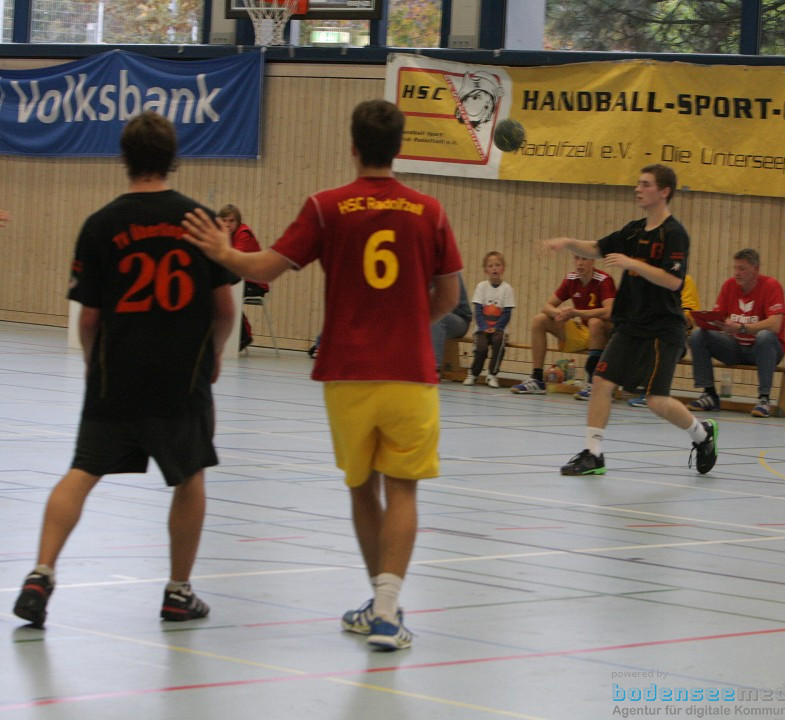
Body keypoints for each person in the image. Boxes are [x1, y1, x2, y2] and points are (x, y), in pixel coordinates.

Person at [181, 99, 463, 649]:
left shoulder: (326, 206)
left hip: (348, 370)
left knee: (362, 488)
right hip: (409, 370)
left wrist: (222, 250)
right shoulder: (429, 211)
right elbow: (448, 294)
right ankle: (386, 611)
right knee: (404, 489)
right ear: (398, 148)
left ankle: (380, 605)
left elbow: (265, 268)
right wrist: (406, 322)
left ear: (353, 147)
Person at [12, 112, 235, 629]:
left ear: (124, 158)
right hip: (181, 380)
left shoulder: (101, 224)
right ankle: (178, 592)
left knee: (82, 471)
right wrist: (216, 354)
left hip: (118, 378)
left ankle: (41, 573)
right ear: (173, 157)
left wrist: (95, 365)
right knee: (190, 477)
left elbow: (89, 317)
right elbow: (225, 311)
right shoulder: (199, 220)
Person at [538, 164, 718, 476]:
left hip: (663, 328)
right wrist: (566, 242)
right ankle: (593, 454)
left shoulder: (674, 234)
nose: (638, 189)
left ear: (663, 192)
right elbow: (596, 248)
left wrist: (633, 262)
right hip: (630, 325)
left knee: (656, 400)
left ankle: (702, 435)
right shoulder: (633, 231)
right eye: (638, 183)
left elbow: (673, 282)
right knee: (601, 382)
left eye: (645, 184)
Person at [688, 249, 785, 418]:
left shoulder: (771, 286)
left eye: (742, 269)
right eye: (735, 268)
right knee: (698, 336)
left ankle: (764, 399)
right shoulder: (729, 286)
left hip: (762, 349)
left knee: (765, 336)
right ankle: (709, 394)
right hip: (735, 347)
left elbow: (775, 325)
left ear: (755, 269)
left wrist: (742, 328)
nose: (737, 273)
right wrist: (708, 321)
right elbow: (719, 316)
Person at [511, 254, 615, 400]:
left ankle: (594, 383)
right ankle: (537, 379)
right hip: (585, 333)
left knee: (595, 322)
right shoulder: (571, 279)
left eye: (584, 258)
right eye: (577, 258)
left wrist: (576, 313)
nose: (580, 263)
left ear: (592, 261)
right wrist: (561, 313)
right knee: (539, 320)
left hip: (606, 336)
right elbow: (546, 306)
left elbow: (610, 311)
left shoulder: (604, 280)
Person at [628, 273, 699, 408]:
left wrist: (668, 313)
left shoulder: (684, 280)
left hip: (675, 336)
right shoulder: (647, 278)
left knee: (659, 344)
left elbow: (690, 318)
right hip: (648, 331)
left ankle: (652, 393)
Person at [218, 204, 269, 351]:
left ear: (238, 221)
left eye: (231, 221)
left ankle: (244, 335)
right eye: (225, 221)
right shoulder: (222, 234)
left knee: (225, 294)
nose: (228, 225)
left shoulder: (243, 234)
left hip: (255, 283)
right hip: (239, 279)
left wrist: (224, 239)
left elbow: (233, 260)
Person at [465, 251, 514, 388]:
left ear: (502, 268)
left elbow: (507, 313)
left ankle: (492, 375)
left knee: (499, 342)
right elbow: (478, 310)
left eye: (497, 265)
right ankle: (473, 374)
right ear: (486, 270)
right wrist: (483, 327)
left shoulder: (507, 289)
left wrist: (497, 327)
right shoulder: (481, 287)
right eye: (490, 266)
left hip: (499, 329)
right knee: (481, 348)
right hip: (482, 328)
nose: (494, 268)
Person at [431, 274, 471, 378]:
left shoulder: (447, 273)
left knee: (437, 315)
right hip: (438, 315)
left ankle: (435, 369)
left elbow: (446, 302)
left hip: (459, 320)